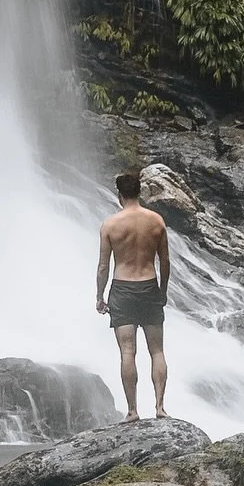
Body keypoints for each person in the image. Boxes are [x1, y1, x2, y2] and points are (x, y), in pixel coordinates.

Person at [96, 169, 170, 421]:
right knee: (157, 351)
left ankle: (132, 411)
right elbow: (165, 262)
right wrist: (163, 292)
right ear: (140, 192)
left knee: (128, 352)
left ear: (119, 195)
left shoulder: (110, 225)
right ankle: (160, 407)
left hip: (123, 290)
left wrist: (99, 296)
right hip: (149, 286)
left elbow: (103, 266)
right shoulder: (156, 221)